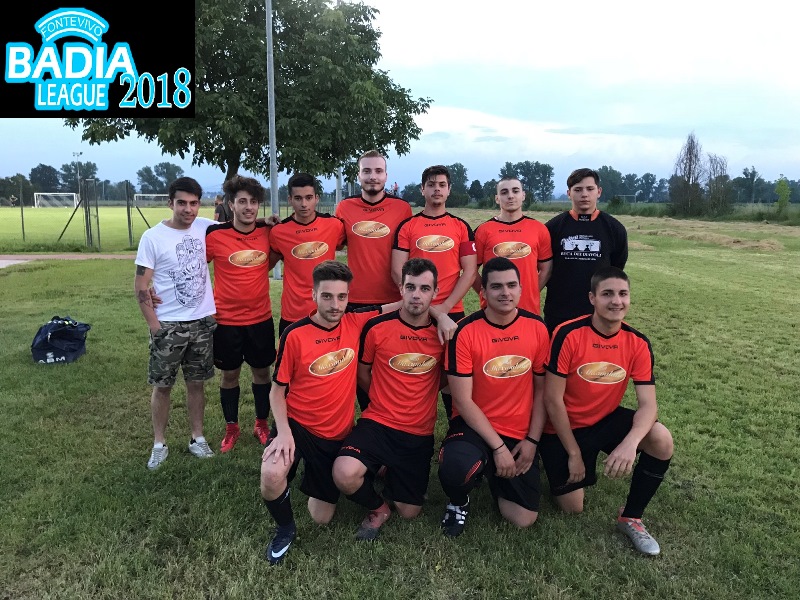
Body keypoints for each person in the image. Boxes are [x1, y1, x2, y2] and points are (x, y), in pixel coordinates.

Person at [259, 261, 455, 565]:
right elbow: (276, 391)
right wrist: (283, 432)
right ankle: (285, 529)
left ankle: (324, 473)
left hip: (335, 433)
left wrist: (441, 314)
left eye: (341, 297)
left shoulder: (356, 321)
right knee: (271, 475)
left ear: (349, 298)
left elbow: (407, 303)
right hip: (296, 424)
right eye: (327, 296)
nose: (334, 305)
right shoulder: (294, 334)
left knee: (323, 517)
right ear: (313, 294)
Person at [540, 266, 673, 555]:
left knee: (661, 439)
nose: (616, 301)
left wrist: (630, 443)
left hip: (605, 419)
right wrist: (574, 453)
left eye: (623, 294)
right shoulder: (568, 333)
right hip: (564, 428)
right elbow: (552, 400)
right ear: (592, 298)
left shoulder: (637, 342)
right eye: (607, 294)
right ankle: (553, 462)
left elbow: (649, 405)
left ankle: (631, 517)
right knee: (572, 508)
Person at [332, 258, 445, 541]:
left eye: (424, 288)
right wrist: (383, 398)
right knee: (344, 473)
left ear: (435, 292)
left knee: (410, 511)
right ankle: (378, 507)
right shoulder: (377, 327)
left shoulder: (443, 335)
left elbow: (445, 379)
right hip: (378, 423)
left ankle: (386, 468)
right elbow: (363, 372)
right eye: (411, 287)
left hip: (418, 432)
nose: (416, 295)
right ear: (401, 288)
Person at [437, 257, 550, 536]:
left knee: (522, 518)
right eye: (496, 287)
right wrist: (499, 448)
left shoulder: (538, 328)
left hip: (518, 431)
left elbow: (542, 391)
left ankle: (493, 472)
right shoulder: (464, 331)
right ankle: (458, 501)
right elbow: (462, 401)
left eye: (511, 285)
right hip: (474, 425)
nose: (505, 292)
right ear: (484, 292)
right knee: (456, 468)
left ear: (521, 289)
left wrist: (532, 441)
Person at [134, 176, 217, 470]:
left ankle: (197, 438)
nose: (188, 209)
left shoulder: (205, 227)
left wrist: (266, 221)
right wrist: (155, 327)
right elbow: (141, 285)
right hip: (168, 325)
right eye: (182, 203)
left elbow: (241, 226)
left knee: (197, 384)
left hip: (201, 324)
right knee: (163, 386)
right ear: (170, 203)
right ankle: (159, 443)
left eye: (194, 203)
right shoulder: (153, 237)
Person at [392, 165, 477, 418]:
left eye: (442, 185)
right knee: (415, 369)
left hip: (452, 312)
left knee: (453, 374)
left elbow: (470, 272)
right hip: (416, 311)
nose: (436, 189)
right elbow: (397, 272)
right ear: (422, 189)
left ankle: (456, 428)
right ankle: (409, 421)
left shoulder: (461, 227)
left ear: (449, 190)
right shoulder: (408, 226)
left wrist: (445, 309)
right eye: (431, 184)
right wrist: (430, 309)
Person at [335, 150, 412, 410]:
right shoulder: (344, 207)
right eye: (366, 171)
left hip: (393, 300)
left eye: (378, 171)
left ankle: (391, 414)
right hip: (355, 302)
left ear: (386, 176)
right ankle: (370, 416)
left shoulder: (402, 209)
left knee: (389, 364)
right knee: (359, 367)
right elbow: (331, 239)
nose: (372, 176)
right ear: (358, 176)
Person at [205, 175, 275, 453]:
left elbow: (276, 256)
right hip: (226, 321)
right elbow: (193, 268)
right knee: (229, 375)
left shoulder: (267, 232)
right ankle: (231, 428)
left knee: (262, 373)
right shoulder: (215, 235)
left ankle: (261, 424)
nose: (248, 207)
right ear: (231, 204)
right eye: (242, 201)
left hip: (260, 319)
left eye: (253, 202)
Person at [544, 168, 628, 332]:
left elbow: (616, 269)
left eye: (590, 189)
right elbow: (543, 267)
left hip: (599, 314)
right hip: (559, 312)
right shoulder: (552, 228)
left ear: (599, 192)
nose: (584, 194)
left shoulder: (615, 229)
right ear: (569, 193)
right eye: (578, 189)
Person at [269, 172, 346, 337]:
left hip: (326, 310)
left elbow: (342, 244)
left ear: (317, 198)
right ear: (290, 199)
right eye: (298, 198)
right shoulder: (278, 232)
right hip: (293, 313)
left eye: (308, 197)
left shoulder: (334, 225)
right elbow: (266, 264)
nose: (304, 204)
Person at [473, 177, 552, 315]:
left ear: (523, 195)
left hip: (529, 310)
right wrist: (487, 292)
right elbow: (471, 270)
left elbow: (546, 269)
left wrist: (529, 292)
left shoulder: (539, 229)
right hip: (493, 311)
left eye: (515, 191)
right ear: (497, 198)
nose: (510, 196)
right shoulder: (483, 230)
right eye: (504, 192)